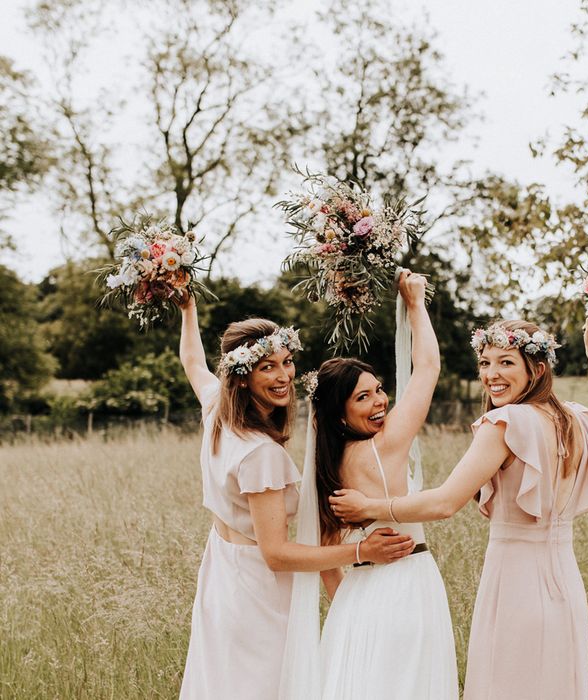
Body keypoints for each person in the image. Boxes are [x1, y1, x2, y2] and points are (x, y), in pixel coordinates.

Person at [330, 317, 588, 699]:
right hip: (565, 582)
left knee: (505, 683)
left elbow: (444, 503)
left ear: (536, 369)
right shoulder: (569, 419)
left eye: (506, 362)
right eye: (486, 362)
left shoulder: (505, 422)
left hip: (515, 580)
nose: (491, 374)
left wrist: (370, 506)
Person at [175, 295, 414, 700]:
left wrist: (188, 310)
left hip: (222, 573)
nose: (284, 374)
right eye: (268, 367)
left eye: (286, 361)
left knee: (222, 683)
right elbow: (277, 554)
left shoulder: (217, 410)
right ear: (242, 376)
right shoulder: (260, 455)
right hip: (256, 589)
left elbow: (193, 363)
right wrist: (361, 553)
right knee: (260, 687)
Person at [311, 271, 459, 699]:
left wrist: (349, 606)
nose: (380, 402)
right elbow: (428, 367)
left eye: (378, 390)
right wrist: (416, 304)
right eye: (363, 397)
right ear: (340, 414)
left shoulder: (327, 467)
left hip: (355, 597)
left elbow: (325, 556)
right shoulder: (385, 444)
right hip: (406, 585)